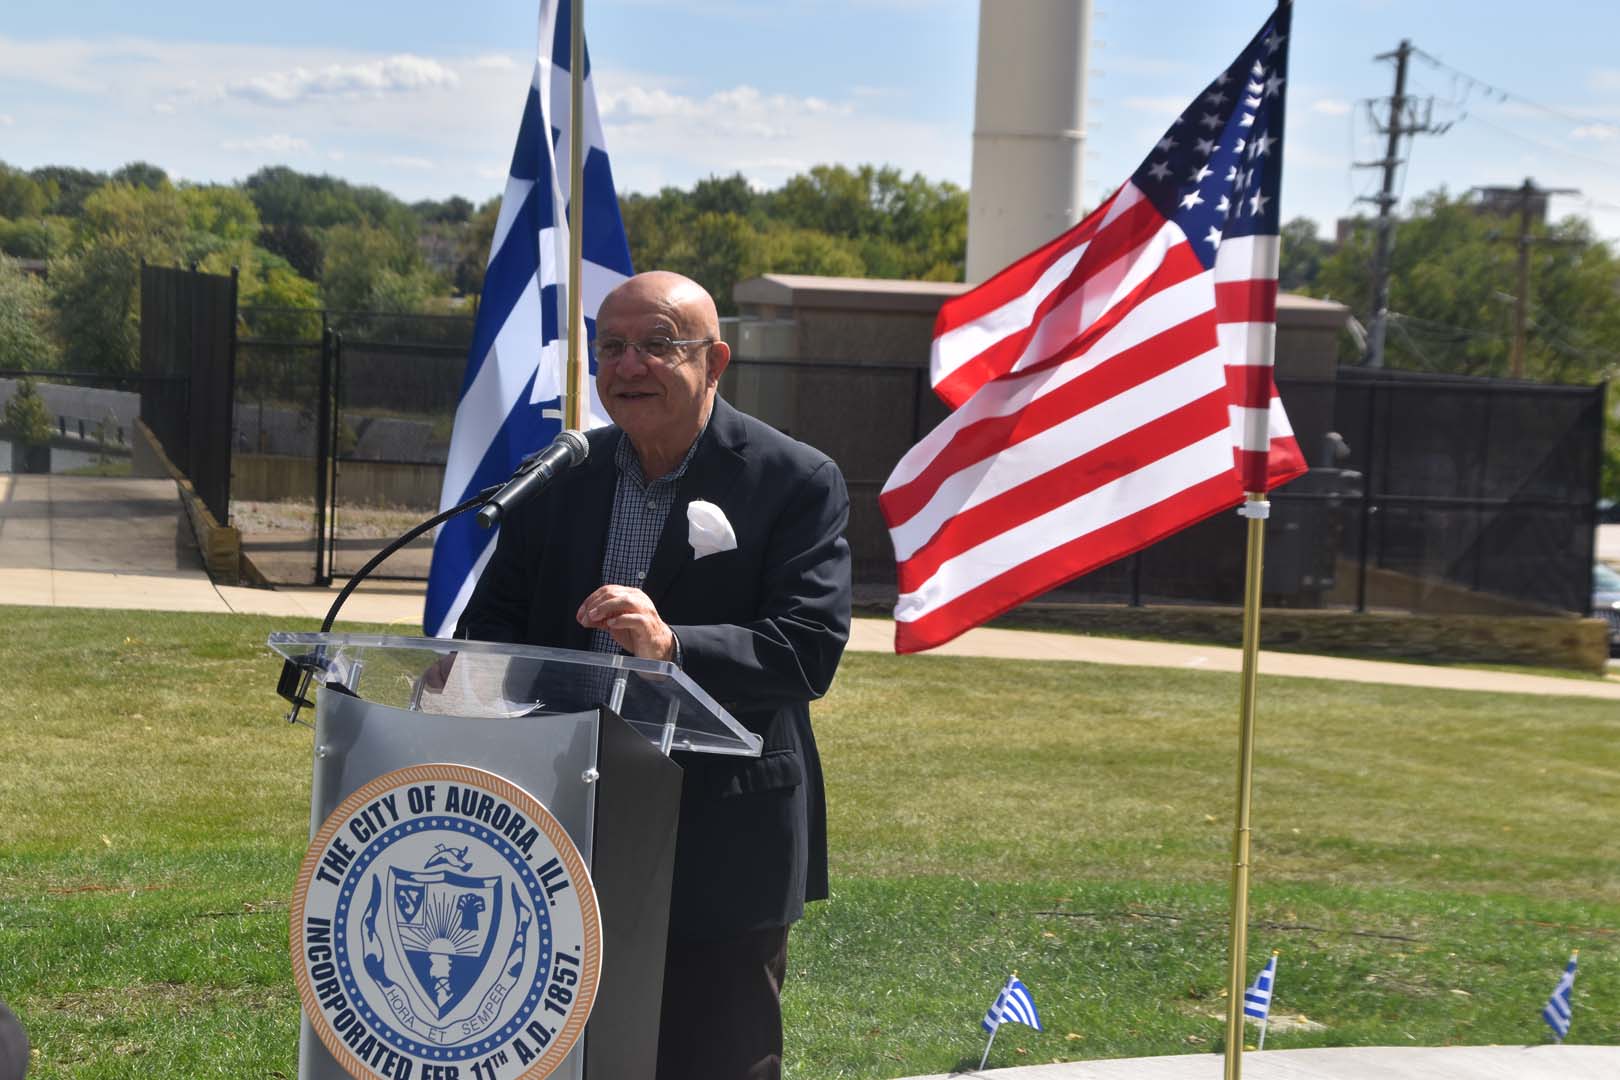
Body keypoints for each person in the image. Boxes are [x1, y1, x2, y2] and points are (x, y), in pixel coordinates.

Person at [457, 270, 852, 1080]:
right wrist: (468, 673)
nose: (629, 365)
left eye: (657, 345)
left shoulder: (794, 479)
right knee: (566, 1052)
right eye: (611, 347)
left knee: (714, 1059)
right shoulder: (559, 475)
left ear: (715, 362)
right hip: (563, 812)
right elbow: (492, 623)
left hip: (721, 829)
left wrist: (674, 647)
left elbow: (808, 647)